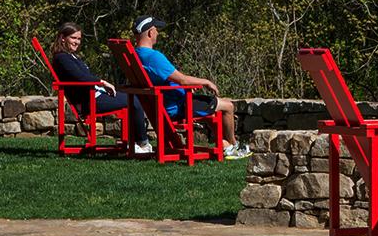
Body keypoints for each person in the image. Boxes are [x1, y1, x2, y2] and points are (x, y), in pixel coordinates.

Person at [132, 16, 250, 159]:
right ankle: (233, 146)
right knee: (228, 106)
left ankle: (224, 145)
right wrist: (206, 81)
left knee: (211, 112)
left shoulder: (136, 55)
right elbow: (182, 79)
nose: (157, 33)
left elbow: (169, 79)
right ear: (150, 32)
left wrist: (183, 86)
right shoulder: (153, 56)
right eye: (156, 29)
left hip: (164, 103)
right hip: (178, 106)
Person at [50, 22, 151, 155]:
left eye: (79, 39)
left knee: (132, 96)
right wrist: (102, 82)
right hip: (89, 100)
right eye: (73, 38)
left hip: (94, 95)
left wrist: (102, 85)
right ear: (63, 38)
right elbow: (80, 77)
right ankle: (143, 144)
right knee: (134, 100)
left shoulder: (70, 56)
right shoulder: (62, 58)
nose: (77, 42)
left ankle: (136, 142)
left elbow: (85, 76)